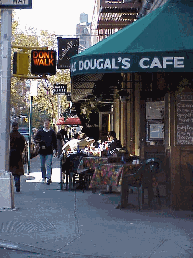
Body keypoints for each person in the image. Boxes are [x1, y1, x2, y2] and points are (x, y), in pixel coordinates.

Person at [35, 119, 57, 185]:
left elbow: (55, 141)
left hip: (49, 151)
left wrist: (55, 150)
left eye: (47, 123)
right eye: (45, 123)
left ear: (49, 124)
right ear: (43, 124)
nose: (46, 125)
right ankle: (43, 177)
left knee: (48, 165)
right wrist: (40, 142)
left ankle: (48, 178)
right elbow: (36, 139)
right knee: (42, 165)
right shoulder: (40, 132)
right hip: (42, 151)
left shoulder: (52, 132)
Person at [9, 122, 26, 192]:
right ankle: (17, 184)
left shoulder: (9, 136)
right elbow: (23, 146)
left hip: (11, 154)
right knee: (17, 172)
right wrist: (21, 151)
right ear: (17, 127)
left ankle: (11, 184)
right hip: (18, 154)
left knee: (10, 170)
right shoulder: (20, 136)